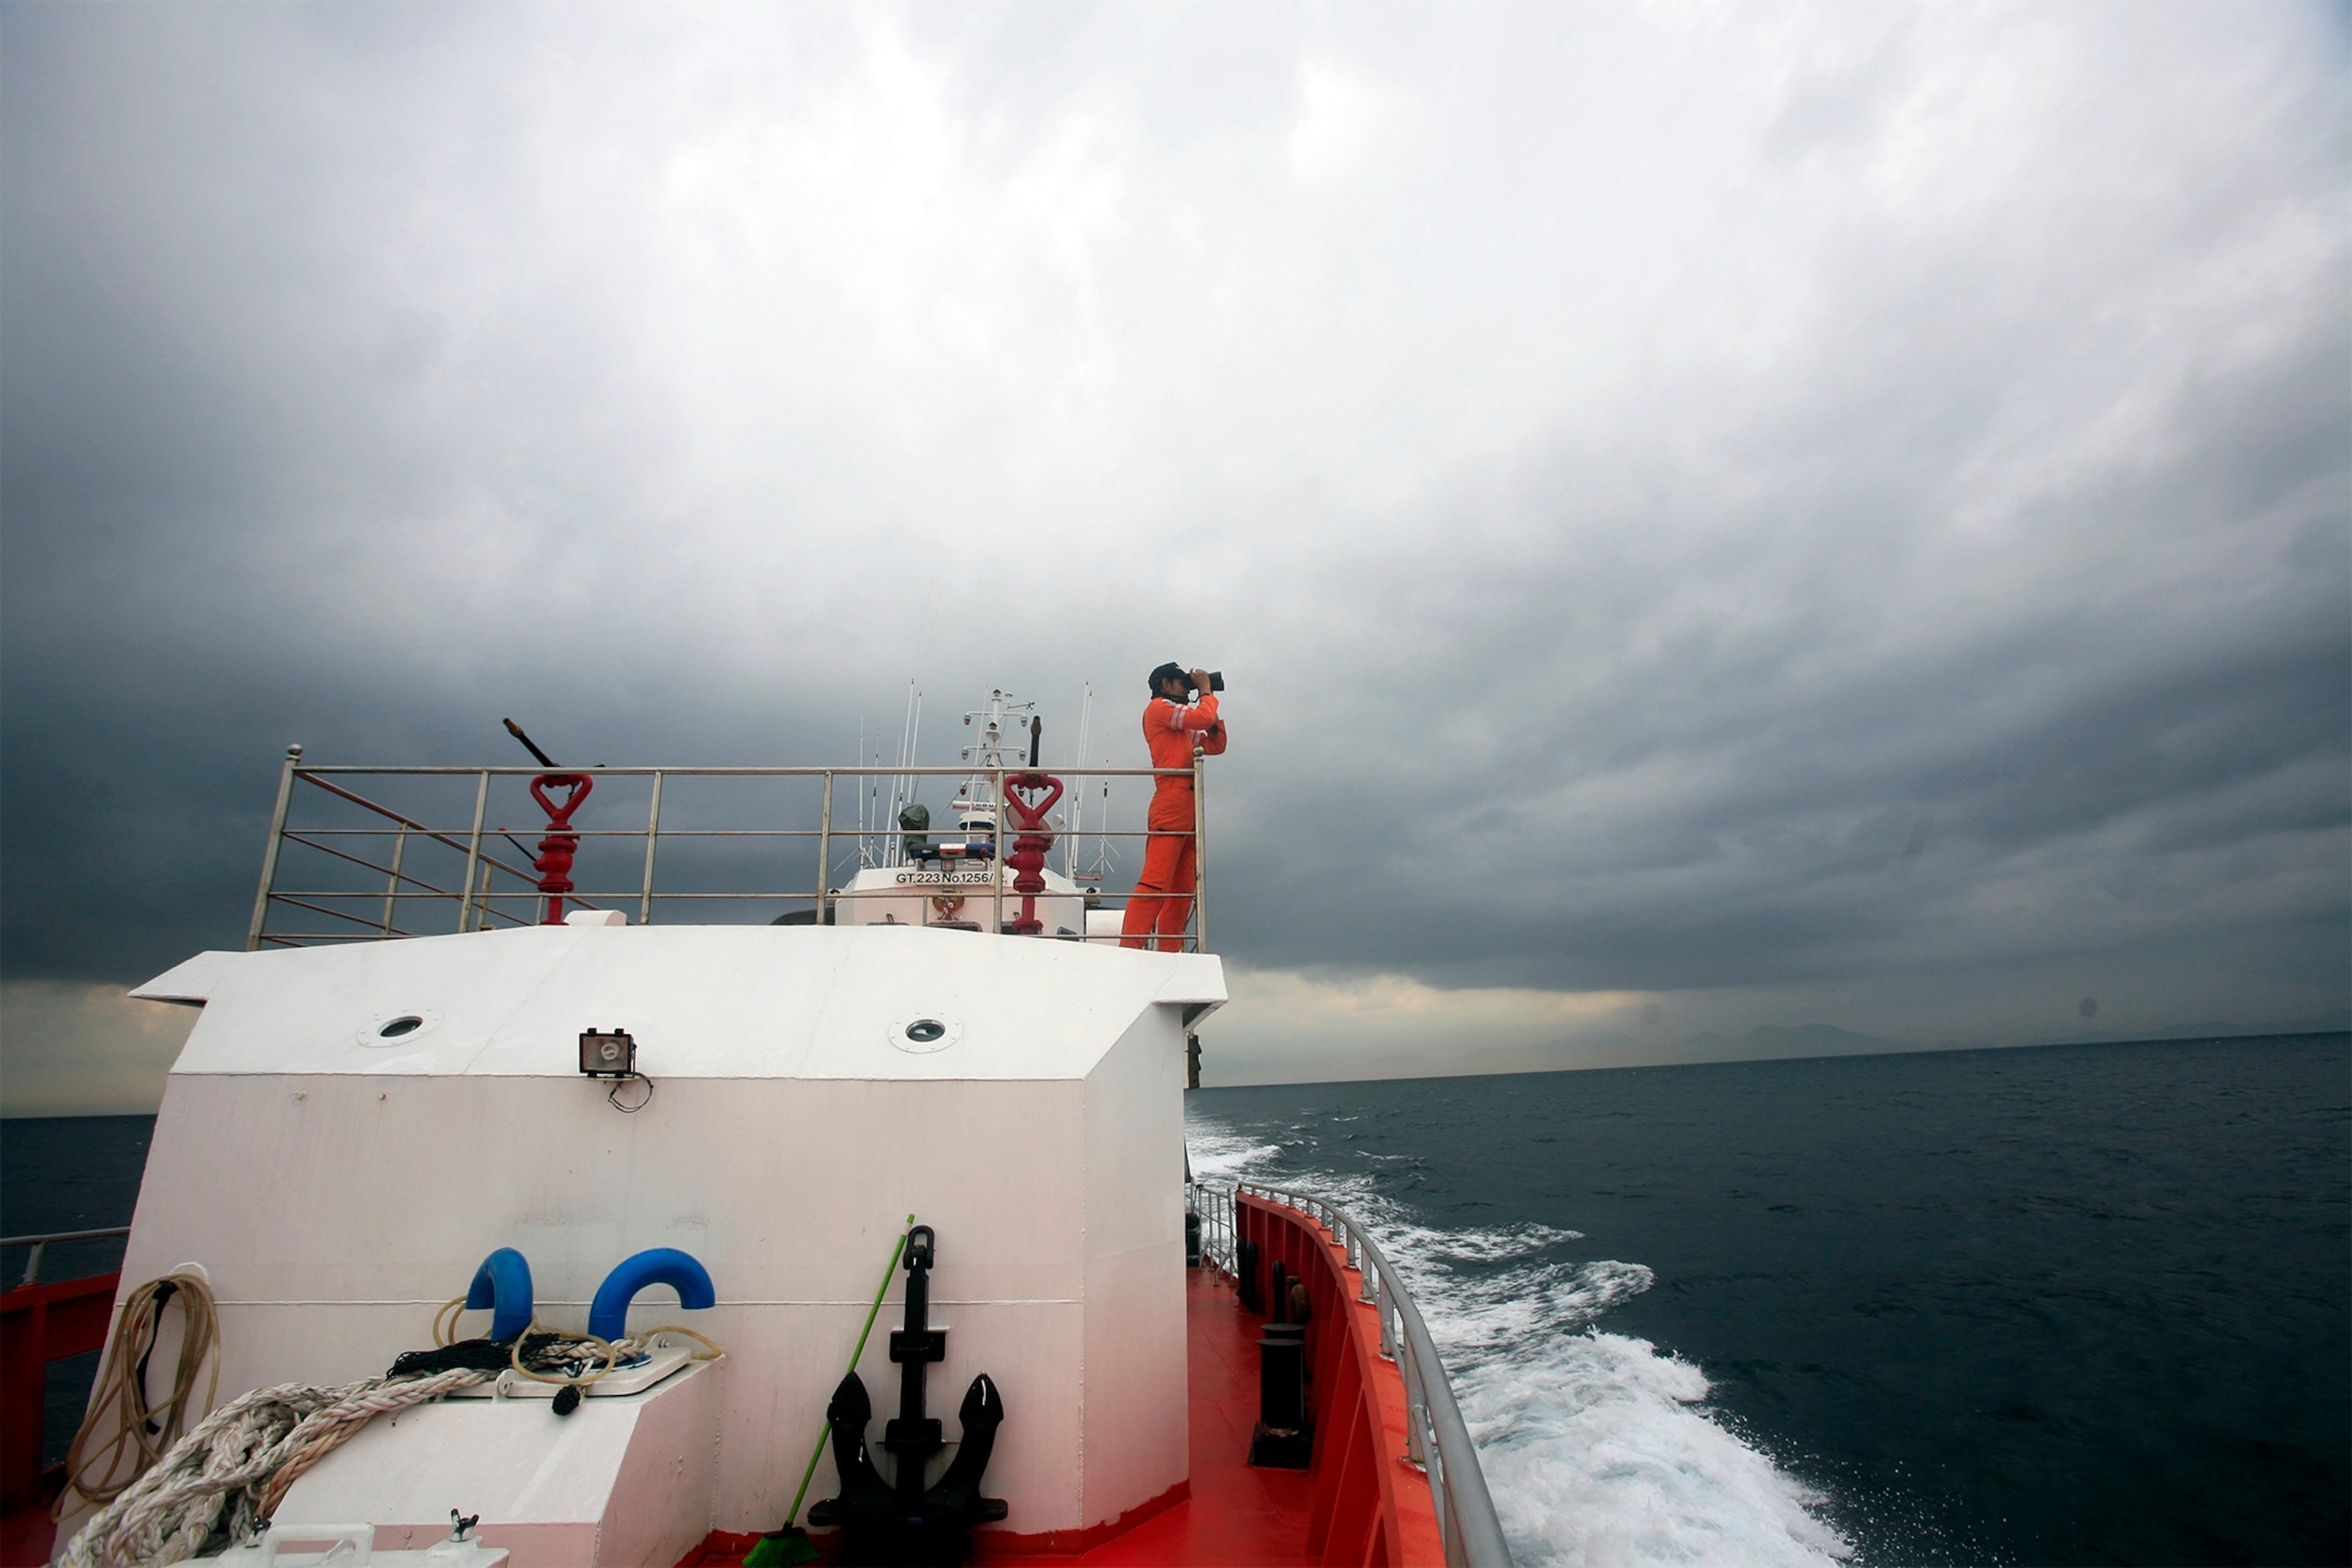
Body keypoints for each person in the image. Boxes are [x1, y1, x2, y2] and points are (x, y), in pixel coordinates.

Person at [1120, 662, 1227, 951]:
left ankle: (1169, 951)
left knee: (1182, 889)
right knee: (1155, 882)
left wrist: (1211, 708)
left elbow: (1216, 745)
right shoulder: (1159, 709)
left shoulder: (1178, 723)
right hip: (1171, 799)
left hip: (1187, 805)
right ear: (1165, 685)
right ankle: (1129, 949)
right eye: (1182, 682)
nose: (1187, 686)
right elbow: (1202, 720)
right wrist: (1206, 693)